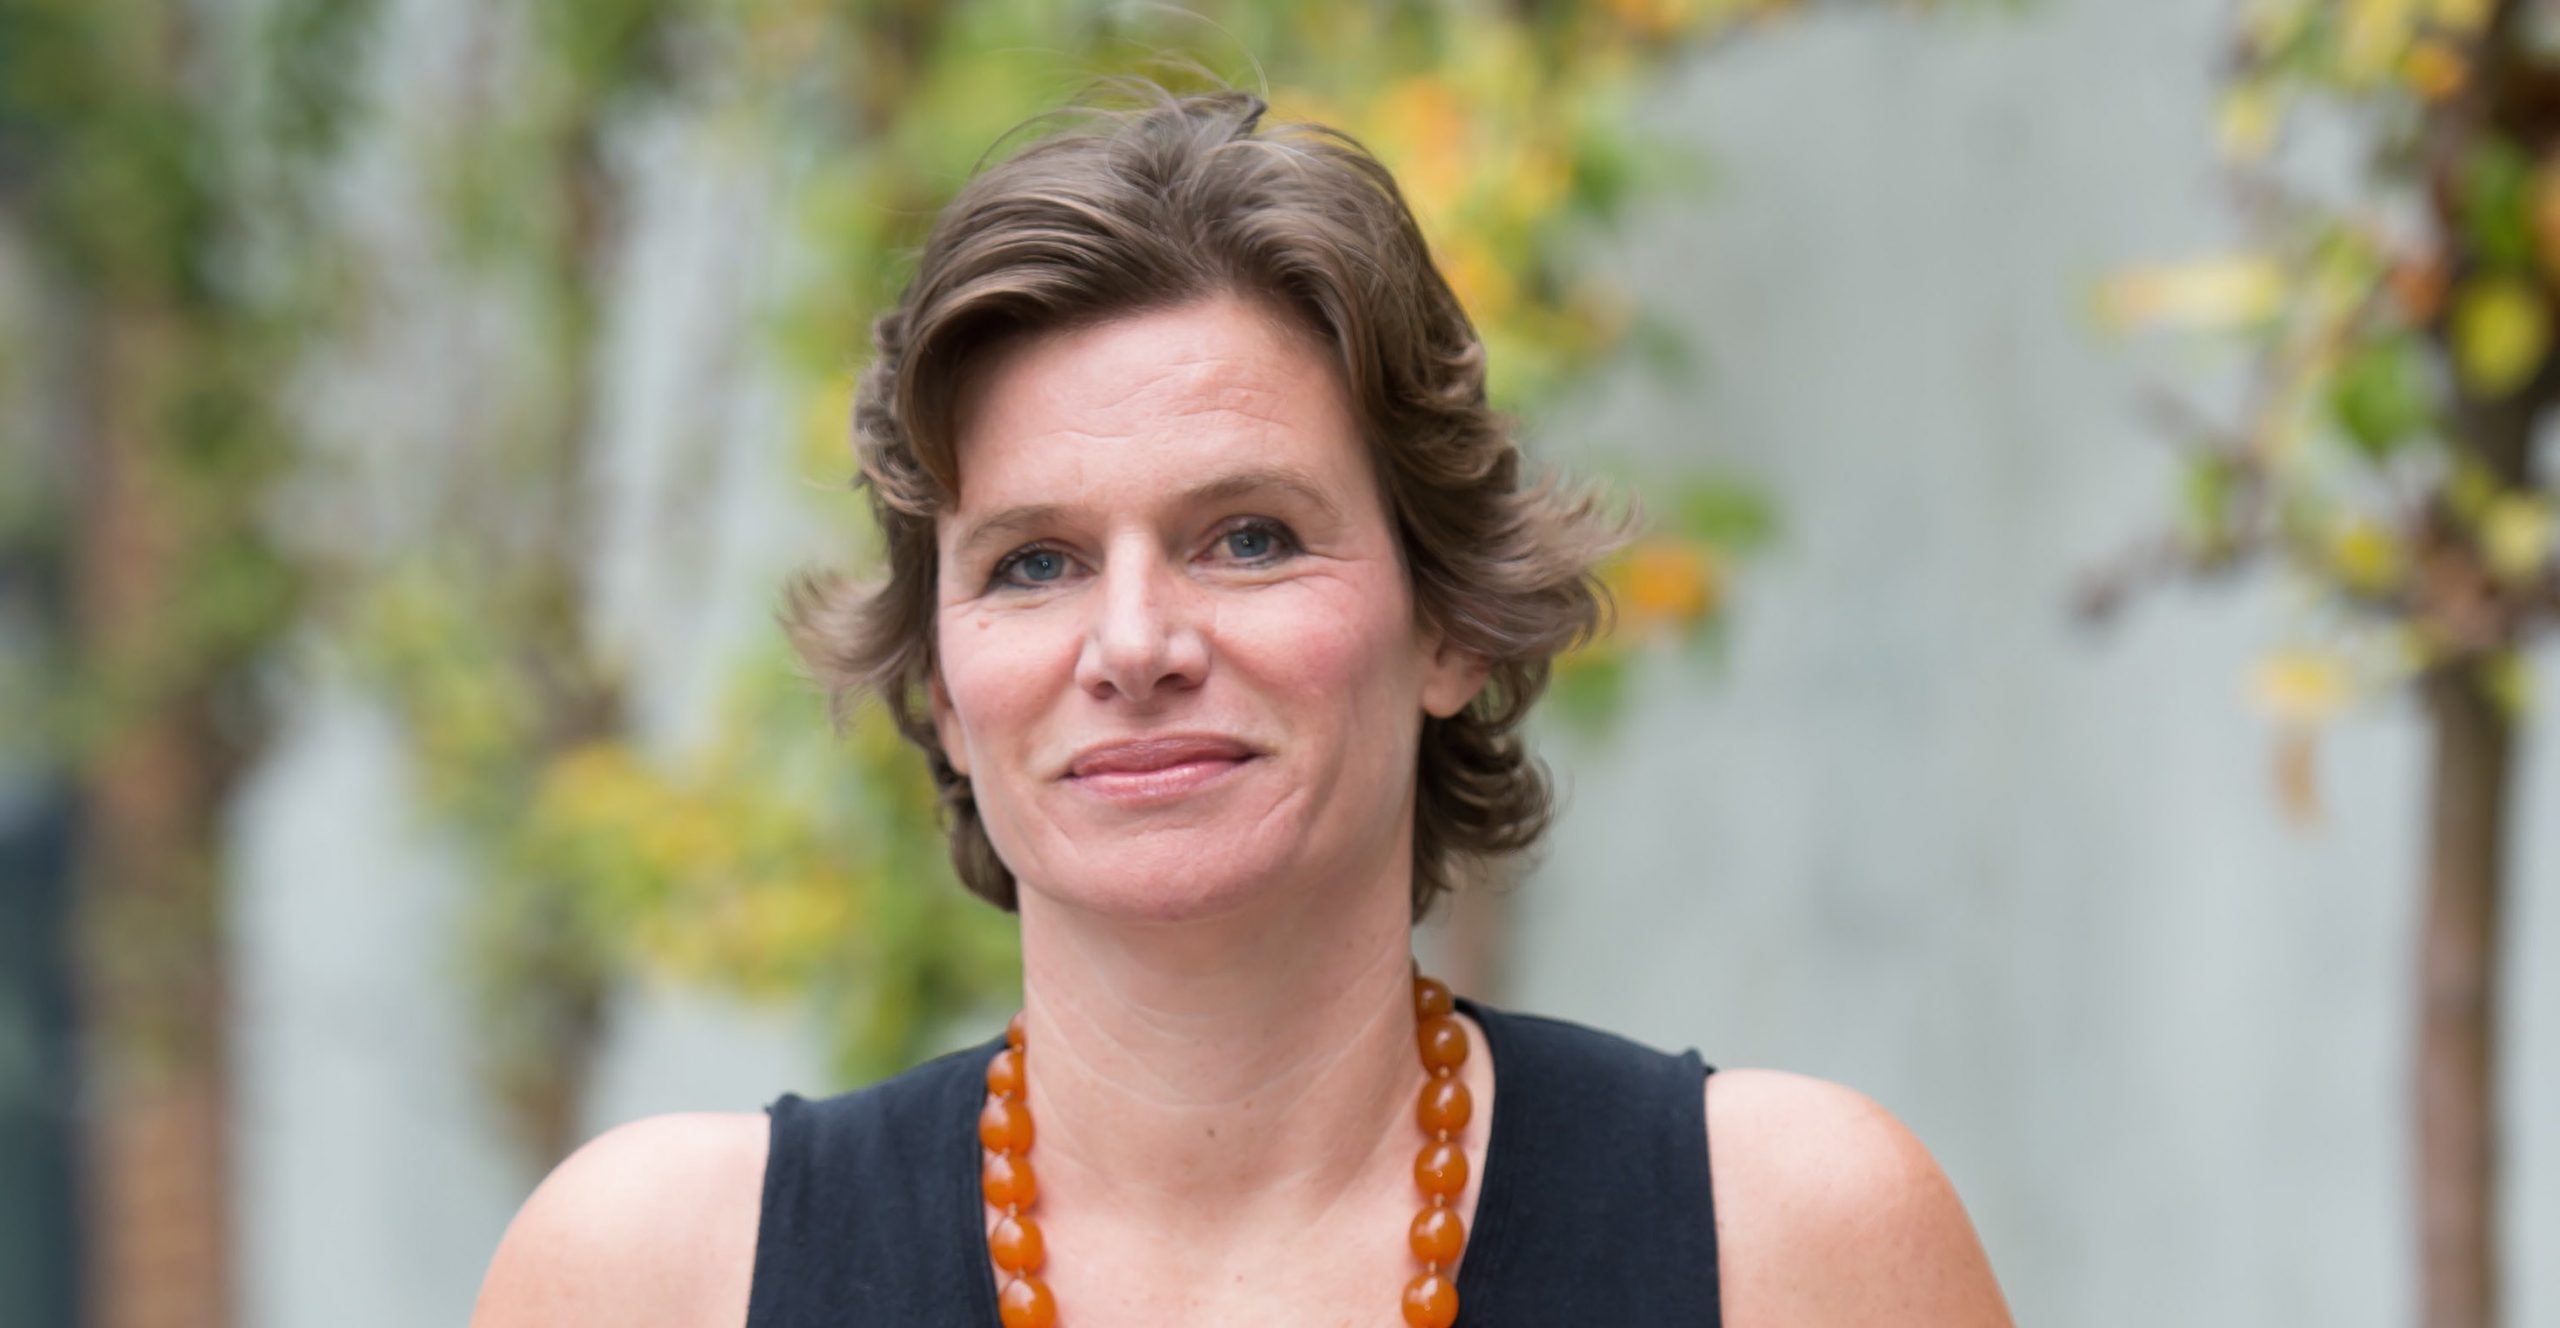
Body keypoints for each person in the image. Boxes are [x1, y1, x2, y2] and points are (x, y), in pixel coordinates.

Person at [470, 83, 2011, 1328]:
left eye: (1250, 538)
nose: (1134, 643)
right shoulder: (657, 1278)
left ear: (1449, 624)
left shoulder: (1790, 1247)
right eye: (1035, 562)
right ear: (940, 686)